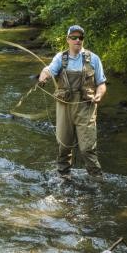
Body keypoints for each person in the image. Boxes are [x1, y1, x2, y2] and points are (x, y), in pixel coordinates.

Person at [38, 25, 107, 178]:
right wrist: (43, 76)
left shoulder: (93, 59)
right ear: (67, 39)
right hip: (64, 107)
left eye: (80, 38)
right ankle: (63, 177)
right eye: (74, 37)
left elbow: (101, 84)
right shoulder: (59, 58)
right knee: (64, 146)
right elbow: (48, 70)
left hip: (86, 107)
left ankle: (97, 179)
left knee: (87, 148)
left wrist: (99, 94)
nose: (77, 40)